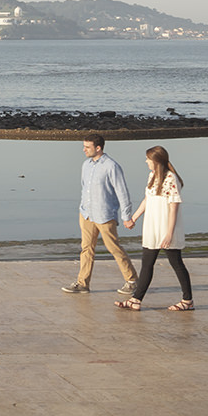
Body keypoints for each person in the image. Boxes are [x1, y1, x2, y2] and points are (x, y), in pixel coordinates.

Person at [116, 145, 193, 312]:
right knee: (147, 264)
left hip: (167, 229)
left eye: (148, 159)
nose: (146, 162)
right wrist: (133, 218)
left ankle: (187, 301)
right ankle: (136, 300)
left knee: (177, 264)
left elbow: (174, 208)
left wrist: (169, 234)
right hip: (152, 227)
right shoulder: (152, 176)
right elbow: (147, 199)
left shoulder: (171, 178)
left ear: (156, 161)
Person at [60, 132, 138, 294]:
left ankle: (132, 280)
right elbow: (84, 188)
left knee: (113, 247)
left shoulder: (111, 166)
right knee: (86, 248)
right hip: (86, 214)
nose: (84, 150)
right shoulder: (86, 165)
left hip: (104, 215)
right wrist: (82, 207)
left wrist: (126, 216)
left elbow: (122, 192)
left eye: (87, 147)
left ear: (98, 148)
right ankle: (83, 283)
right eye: (84, 146)